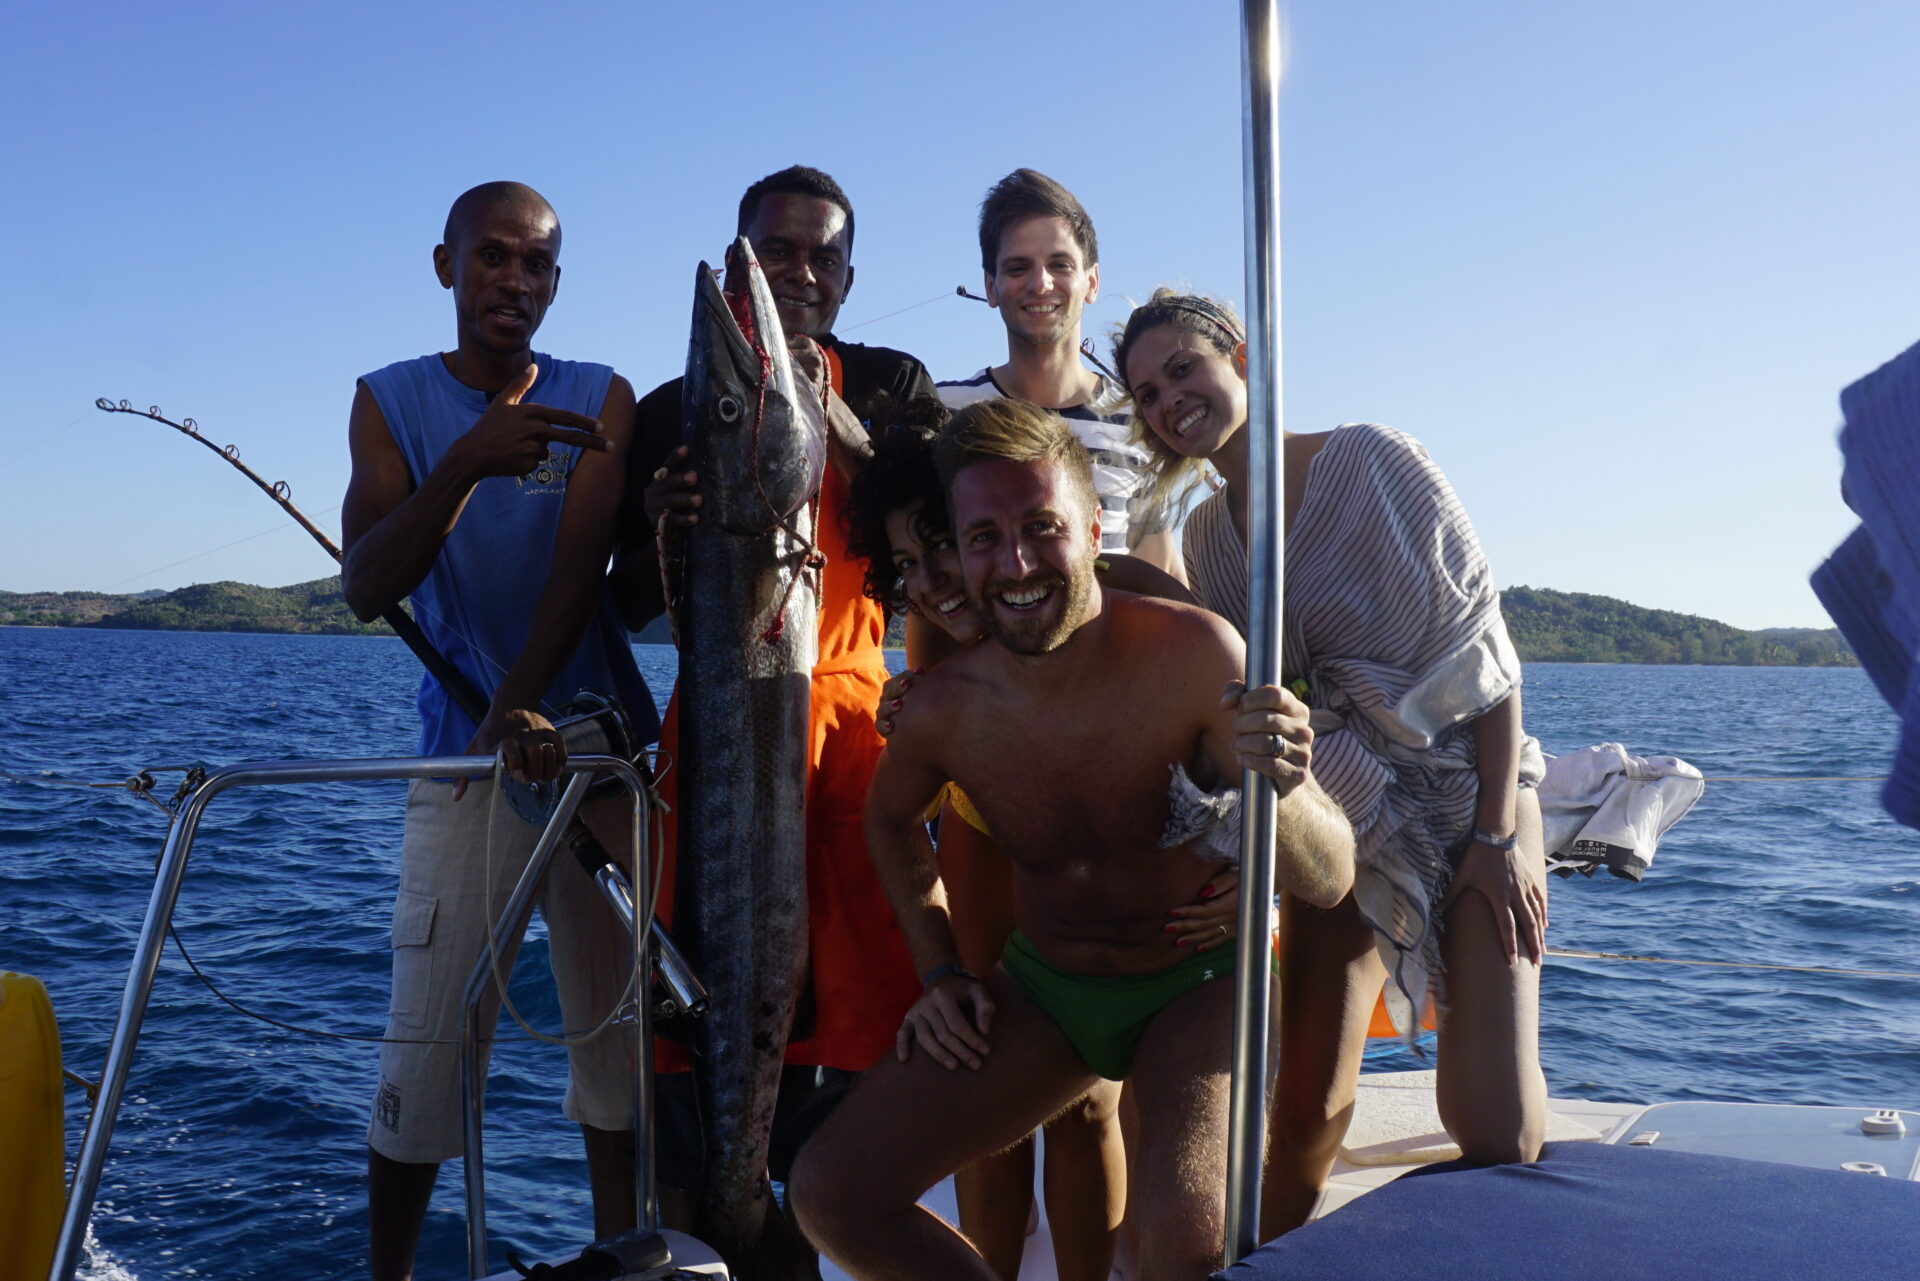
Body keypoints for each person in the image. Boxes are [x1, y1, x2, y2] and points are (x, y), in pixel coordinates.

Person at [788, 399, 1355, 1280]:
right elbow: (887, 820)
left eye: (1041, 528)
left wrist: (1281, 790)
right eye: (982, 538)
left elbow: (1331, 873)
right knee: (829, 1193)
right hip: (1050, 988)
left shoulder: (1197, 655)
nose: (1012, 563)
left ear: (1094, 530)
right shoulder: (942, 704)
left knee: (1183, 1246)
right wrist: (938, 970)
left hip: (1197, 985)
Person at [1112, 288, 1550, 1235]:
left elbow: (1491, 655)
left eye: (1183, 368)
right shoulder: (1205, 543)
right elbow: (1258, 729)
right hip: (1344, 818)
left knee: (1495, 1128)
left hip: (1465, 794)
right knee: (1302, 1110)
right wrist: (1262, 874)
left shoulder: (1373, 460)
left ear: (1237, 352)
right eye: (1146, 393)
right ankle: (1272, 1259)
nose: (1168, 401)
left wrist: (1498, 834)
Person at [609, 165, 938, 1227]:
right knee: (696, 1019)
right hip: (716, 729)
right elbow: (619, 604)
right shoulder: (674, 409)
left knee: (855, 1030)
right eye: (776, 251)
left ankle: (824, 1216)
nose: (799, 271)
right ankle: (721, 1210)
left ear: (848, 273)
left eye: (821, 254)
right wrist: (662, 513)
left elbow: (935, 527)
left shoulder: (896, 381)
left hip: (850, 735)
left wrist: (828, 413)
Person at [340, 181, 657, 1280]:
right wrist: (470, 461)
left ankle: (622, 1256)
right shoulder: (387, 403)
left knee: (615, 1055)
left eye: (536, 264)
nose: (513, 281)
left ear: (556, 282)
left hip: (599, 760)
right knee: (426, 1048)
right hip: (465, 764)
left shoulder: (601, 396)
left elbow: (580, 574)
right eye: (492, 259)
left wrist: (518, 704)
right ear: (446, 266)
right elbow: (366, 583)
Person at [848, 410, 1234, 1281]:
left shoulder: (1154, 615)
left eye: (940, 549)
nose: (934, 582)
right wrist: (939, 970)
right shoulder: (939, 648)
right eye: (906, 565)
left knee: (1110, 1138)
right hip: (1019, 869)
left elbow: (1237, 754)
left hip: (1171, 912)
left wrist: (1259, 875)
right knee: (961, 1107)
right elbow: (894, 812)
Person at [936, 170, 1182, 603]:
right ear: (990, 287)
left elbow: (1161, 577)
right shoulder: (945, 411)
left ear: (1092, 281)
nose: (1040, 283)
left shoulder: (1141, 419)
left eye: (1060, 264)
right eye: (1017, 267)